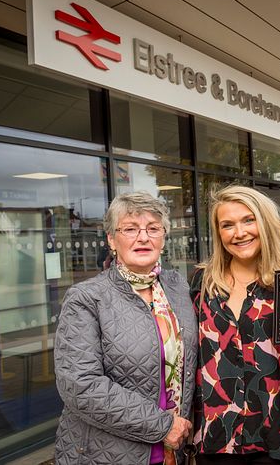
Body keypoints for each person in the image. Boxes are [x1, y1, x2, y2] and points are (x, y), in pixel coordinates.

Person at [54, 191, 197, 465]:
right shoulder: (86, 297)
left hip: (174, 451)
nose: (143, 237)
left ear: (163, 237)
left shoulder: (177, 287)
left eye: (153, 228)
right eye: (130, 229)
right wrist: (162, 425)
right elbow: (80, 386)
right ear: (111, 239)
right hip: (106, 453)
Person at [190, 185, 280, 465]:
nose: (239, 232)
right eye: (227, 225)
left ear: (265, 223)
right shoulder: (202, 283)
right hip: (216, 441)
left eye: (248, 220)